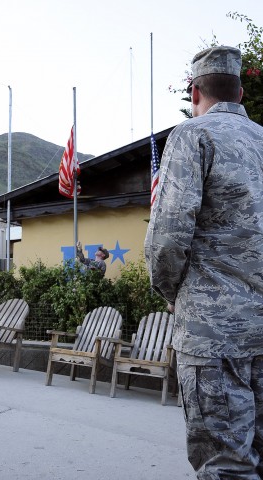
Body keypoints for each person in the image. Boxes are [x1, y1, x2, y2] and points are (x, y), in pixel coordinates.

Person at [145, 45, 263, 479]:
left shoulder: (193, 136)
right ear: (241, 92)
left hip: (214, 335)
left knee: (226, 465)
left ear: (195, 92)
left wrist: (168, 291)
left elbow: (168, 237)